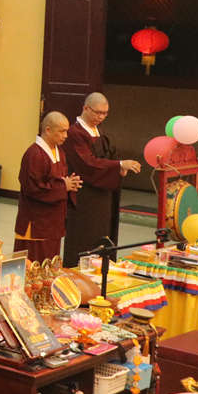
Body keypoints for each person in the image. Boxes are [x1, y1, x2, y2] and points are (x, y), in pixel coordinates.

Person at [62, 92, 141, 267]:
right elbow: (87, 164)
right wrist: (119, 165)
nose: (101, 117)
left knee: (103, 234)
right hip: (85, 196)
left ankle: (102, 270)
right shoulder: (75, 133)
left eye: (105, 113)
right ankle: (78, 271)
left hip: (103, 194)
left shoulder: (99, 131)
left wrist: (120, 168)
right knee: (84, 236)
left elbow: (110, 155)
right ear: (85, 108)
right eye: (98, 112)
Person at [14, 112, 83, 262]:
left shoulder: (60, 152)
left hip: (53, 222)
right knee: (33, 267)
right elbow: (33, 189)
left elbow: (57, 180)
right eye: (62, 131)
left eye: (66, 131)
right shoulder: (34, 154)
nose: (66, 136)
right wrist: (63, 186)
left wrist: (70, 183)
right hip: (36, 223)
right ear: (48, 130)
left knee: (50, 265)